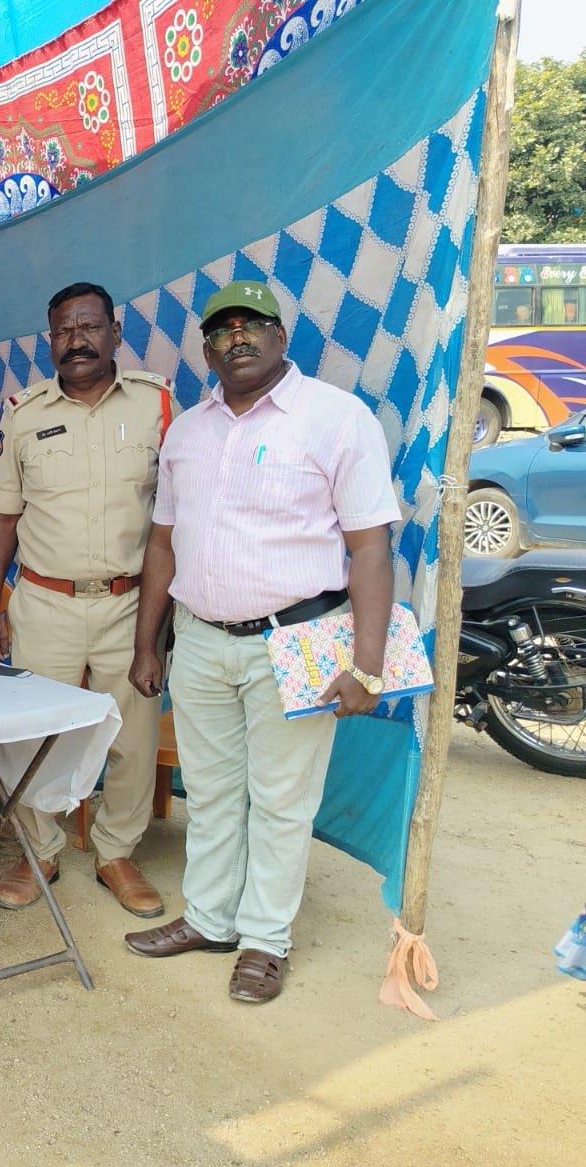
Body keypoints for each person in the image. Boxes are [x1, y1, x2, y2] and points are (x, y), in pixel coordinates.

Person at [124, 280, 398, 1004]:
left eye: (251, 326)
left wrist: (367, 666)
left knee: (281, 801)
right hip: (200, 640)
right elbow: (162, 544)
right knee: (211, 793)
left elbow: (371, 549)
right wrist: (148, 644)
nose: (236, 339)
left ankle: (265, 941)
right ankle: (211, 919)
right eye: (221, 331)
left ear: (281, 336)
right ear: (207, 351)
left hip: (297, 640)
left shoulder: (337, 419)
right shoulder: (188, 431)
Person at [0, 282, 175, 918]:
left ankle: (117, 853)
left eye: (89, 327)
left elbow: (176, 516)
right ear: (50, 340)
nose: (77, 340)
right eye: (64, 330)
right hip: (44, 601)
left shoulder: (157, 404)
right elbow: (3, 517)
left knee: (132, 737)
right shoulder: (23, 412)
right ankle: (40, 850)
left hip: (131, 605)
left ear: (115, 332)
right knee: (36, 735)